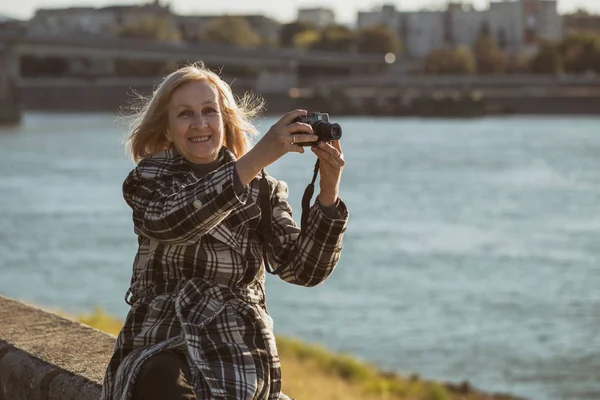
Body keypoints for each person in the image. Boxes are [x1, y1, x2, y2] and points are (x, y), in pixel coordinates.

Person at [101, 63, 349, 400]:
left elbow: (303, 270)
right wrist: (257, 158)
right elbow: (172, 222)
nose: (200, 124)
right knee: (160, 380)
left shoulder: (264, 190)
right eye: (185, 114)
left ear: (225, 120)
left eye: (209, 111)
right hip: (161, 335)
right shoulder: (148, 179)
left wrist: (329, 192)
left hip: (236, 344)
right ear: (168, 129)